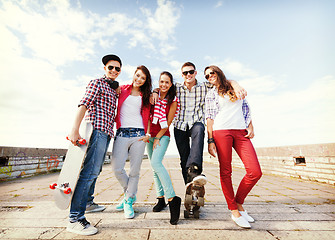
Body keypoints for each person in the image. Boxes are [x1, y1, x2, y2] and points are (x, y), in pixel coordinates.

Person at [154, 62, 247, 185]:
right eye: (185, 73)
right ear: (182, 75)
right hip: (179, 125)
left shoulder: (204, 86)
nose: (188, 75)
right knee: (184, 159)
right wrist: (155, 91)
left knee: (199, 131)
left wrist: (235, 84)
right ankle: (189, 186)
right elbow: (162, 87)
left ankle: (195, 170)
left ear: (195, 73)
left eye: (191, 72)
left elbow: (222, 81)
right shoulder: (176, 87)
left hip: (196, 122)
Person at [66, 54, 122, 235]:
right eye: (110, 67)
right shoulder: (97, 83)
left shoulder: (114, 88)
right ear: (104, 68)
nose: (114, 70)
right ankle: (75, 218)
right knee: (89, 172)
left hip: (106, 133)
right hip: (96, 130)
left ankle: (88, 203)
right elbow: (83, 104)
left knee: (96, 171)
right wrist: (74, 129)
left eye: (117, 68)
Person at [205, 65, 262, 229]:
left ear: (219, 72)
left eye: (212, 73)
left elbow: (245, 108)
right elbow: (209, 118)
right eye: (207, 76)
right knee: (226, 171)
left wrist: (251, 126)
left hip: (240, 131)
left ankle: (238, 202)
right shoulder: (211, 94)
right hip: (221, 132)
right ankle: (234, 210)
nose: (210, 77)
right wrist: (210, 140)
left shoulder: (234, 87)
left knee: (255, 171)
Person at [112, 65, 152, 219]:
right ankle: (130, 193)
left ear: (146, 81)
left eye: (143, 78)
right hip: (122, 133)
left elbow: (149, 116)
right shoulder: (122, 89)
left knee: (134, 171)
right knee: (117, 168)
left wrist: (148, 133)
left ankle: (128, 201)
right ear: (133, 75)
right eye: (138, 75)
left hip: (139, 135)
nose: (139, 79)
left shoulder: (147, 95)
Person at [147, 71, 181, 225]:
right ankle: (160, 199)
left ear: (171, 84)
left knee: (156, 163)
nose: (164, 85)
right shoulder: (153, 96)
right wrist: (148, 134)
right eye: (161, 82)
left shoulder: (173, 100)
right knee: (154, 168)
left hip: (163, 135)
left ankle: (172, 198)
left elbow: (167, 123)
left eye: (167, 82)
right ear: (158, 82)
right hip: (150, 135)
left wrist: (158, 138)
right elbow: (147, 115)